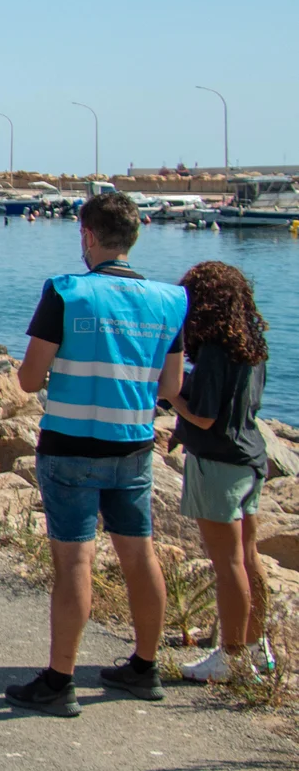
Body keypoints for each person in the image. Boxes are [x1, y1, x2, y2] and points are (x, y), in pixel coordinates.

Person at [5, 192, 185, 717]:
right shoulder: (171, 300)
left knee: (74, 559)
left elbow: (29, 378)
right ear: (134, 236)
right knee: (139, 554)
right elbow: (171, 385)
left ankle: (61, 679)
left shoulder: (66, 292)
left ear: (86, 235)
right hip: (133, 443)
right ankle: (144, 668)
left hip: (71, 444)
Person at [170, 261, 273, 683]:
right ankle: (255, 646)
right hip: (251, 458)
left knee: (227, 562)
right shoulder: (253, 345)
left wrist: (170, 395)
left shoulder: (214, 350)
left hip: (219, 462)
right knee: (248, 557)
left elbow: (205, 417)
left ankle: (230, 656)